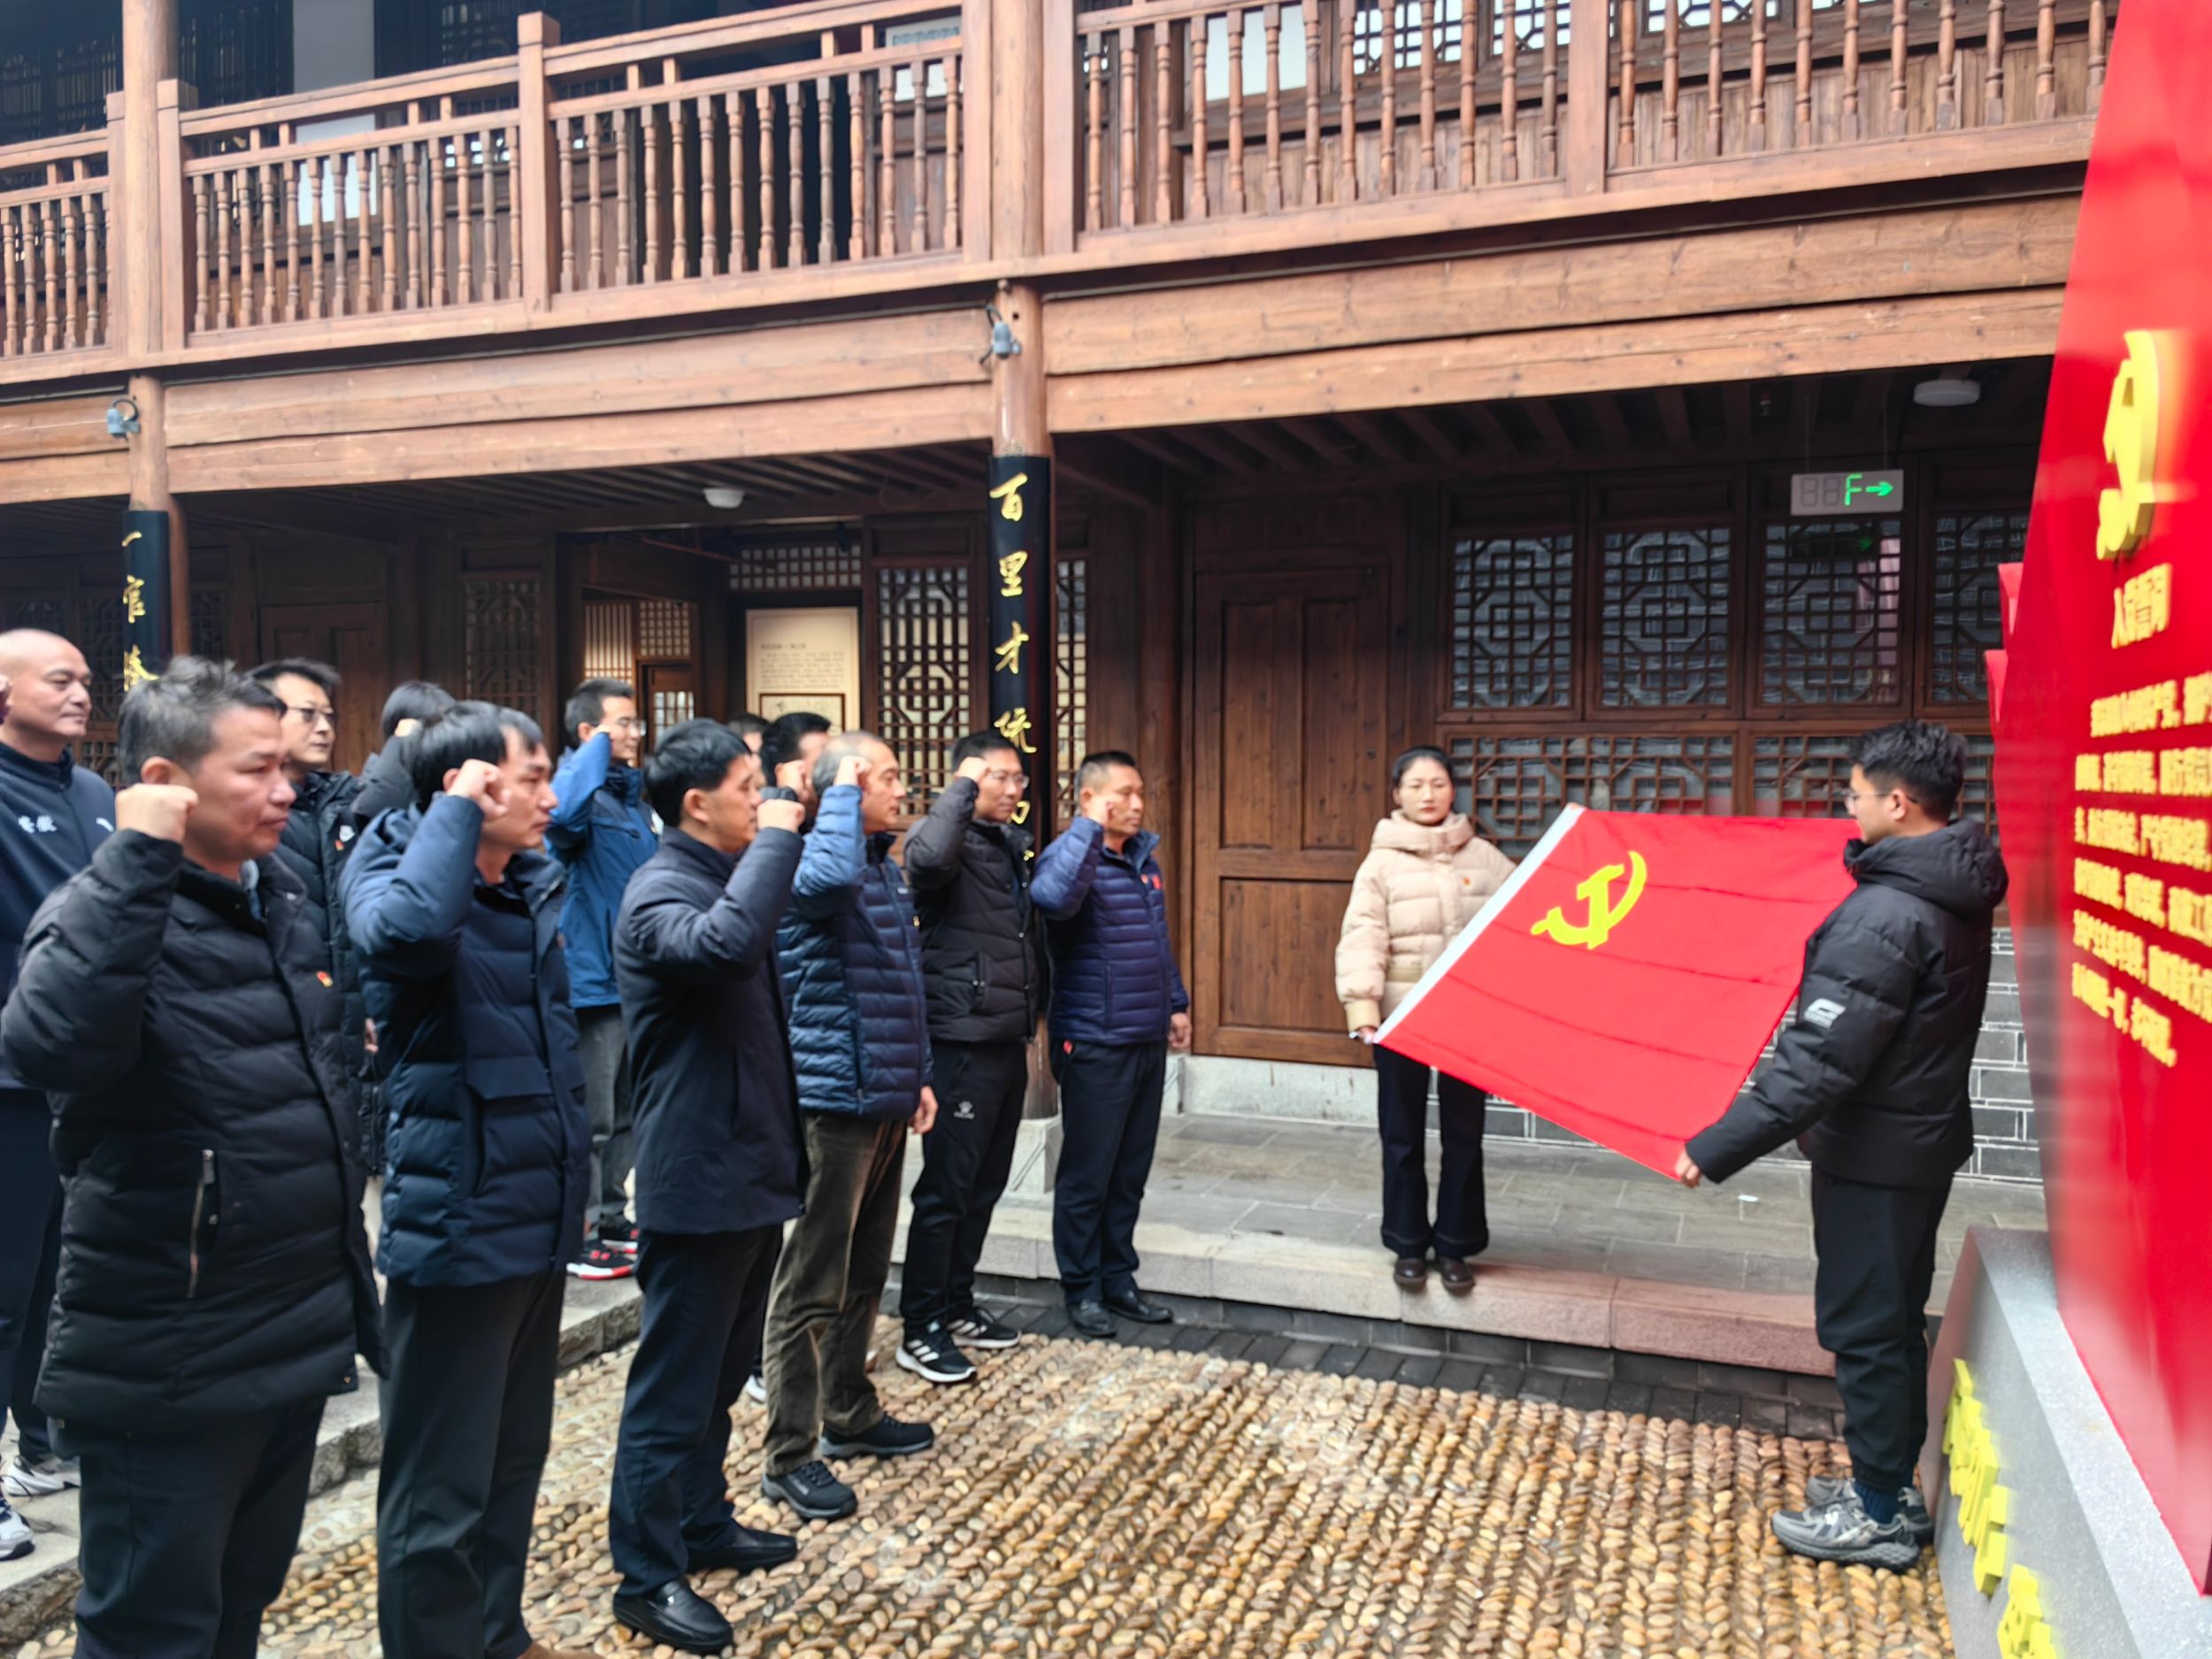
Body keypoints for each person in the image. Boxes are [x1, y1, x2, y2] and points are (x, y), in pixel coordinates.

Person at [1, 657, 383, 1658]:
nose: (287, 789)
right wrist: (137, 854)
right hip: (169, 1353)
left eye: (286, 767)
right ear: (167, 782)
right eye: (257, 769)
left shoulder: (278, 896)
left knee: (238, 1602)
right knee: (153, 1628)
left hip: (288, 1335)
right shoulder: (102, 910)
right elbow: (52, 1046)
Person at [1677, 720, 2008, 1572]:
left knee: (1865, 1327)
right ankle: (1890, 1484)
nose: (1847, 808)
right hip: (1914, 1144)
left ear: (1898, 802)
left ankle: (1881, 1516)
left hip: (1875, 1154)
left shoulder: (1888, 913)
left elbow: (1820, 1059)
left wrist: (1718, 1145)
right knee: (1891, 1321)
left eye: (1855, 794)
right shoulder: (1952, 887)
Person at [343, 701, 598, 1659]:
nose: (552, 797)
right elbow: (408, 939)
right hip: (457, 1216)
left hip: (536, 1208)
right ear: (468, 786)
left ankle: (498, 1635)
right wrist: (453, 814)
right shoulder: (390, 864)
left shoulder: (527, 882)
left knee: (510, 1459)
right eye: (532, 777)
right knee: (437, 1488)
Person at [605, 722, 806, 1654]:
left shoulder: (718, 877)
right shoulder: (658, 890)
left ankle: (701, 1519)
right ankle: (645, 1576)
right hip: (697, 1177)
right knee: (673, 1388)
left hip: (749, 1167)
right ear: (696, 804)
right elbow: (724, 948)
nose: (763, 800)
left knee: (722, 1374)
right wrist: (779, 837)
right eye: (747, 787)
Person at [759, 732, 937, 1525]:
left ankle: (850, 1410)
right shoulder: (808, 859)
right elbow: (825, 882)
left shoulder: (882, 865)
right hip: (833, 1098)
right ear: (845, 790)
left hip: (885, 1092)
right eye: (885, 776)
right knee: (811, 1280)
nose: (901, 788)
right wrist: (834, 791)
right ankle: (789, 1452)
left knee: (865, 1268)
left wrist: (919, 1074)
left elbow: (905, 982)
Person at [1334, 747, 1516, 1294]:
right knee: (1402, 1134)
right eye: (1415, 785)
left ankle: (1456, 1244)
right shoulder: (1381, 864)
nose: (1428, 794)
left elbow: (1525, 920)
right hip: (1401, 1014)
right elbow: (1363, 936)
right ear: (1398, 795)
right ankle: (1408, 1243)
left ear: (1452, 790)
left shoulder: (1484, 857)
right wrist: (1364, 1009)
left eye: (1437, 783)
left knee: (1465, 1135)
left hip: (1467, 1016)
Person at [0, 632, 108, 1553]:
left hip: (93, 1077)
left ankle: (42, 1442)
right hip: (8, 1076)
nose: (82, 693)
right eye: (61, 679)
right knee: (2, 1285)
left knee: (59, 1278)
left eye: (86, 680)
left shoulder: (96, 793)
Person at [895, 733, 1043, 1384]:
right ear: (968, 778)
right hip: (961, 1040)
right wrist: (960, 786)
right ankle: (921, 1324)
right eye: (998, 777)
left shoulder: (1002, 845)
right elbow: (925, 859)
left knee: (984, 1185)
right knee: (947, 1190)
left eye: (1018, 779)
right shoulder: (946, 841)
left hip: (1004, 1036)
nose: (1012, 789)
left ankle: (956, 1303)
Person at [1032, 751, 1191, 1340]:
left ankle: (1118, 1278)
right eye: (1123, 793)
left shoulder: (1143, 861)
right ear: (1090, 798)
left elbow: (1157, 943)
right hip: (1094, 1039)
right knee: (1088, 1173)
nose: (1137, 803)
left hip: (1143, 1036)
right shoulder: (1070, 856)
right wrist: (1087, 830)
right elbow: (1053, 901)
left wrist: (1175, 1003)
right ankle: (1082, 1287)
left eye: (1140, 792)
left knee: (1128, 1171)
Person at [249, 658, 376, 1164]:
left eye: (329, 715)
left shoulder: (343, 802)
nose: (324, 727)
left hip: (347, 1019)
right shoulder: (246, 812)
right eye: (308, 714)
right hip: (277, 1030)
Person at [550, 677, 655, 1280]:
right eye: (624, 724)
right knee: (591, 1118)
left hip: (636, 979)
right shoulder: (577, 792)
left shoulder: (632, 803)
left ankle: (613, 1215)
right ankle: (582, 1228)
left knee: (628, 1111)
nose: (636, 734)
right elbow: (563, 818)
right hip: (592, 980)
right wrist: (593, 750)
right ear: (588, 732)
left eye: (637, 723)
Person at [759, 710, 833, 823]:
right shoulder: (764, 825)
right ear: (785, 773)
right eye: (824, 763)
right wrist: (789, 795)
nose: (835, 769)